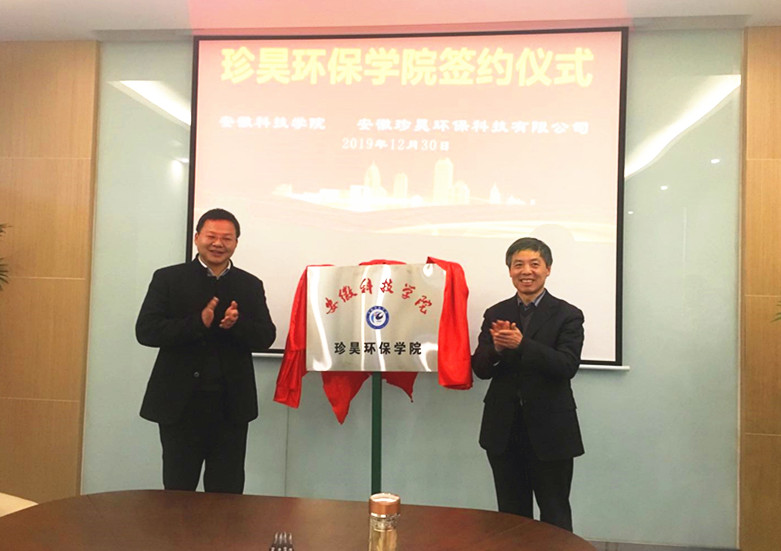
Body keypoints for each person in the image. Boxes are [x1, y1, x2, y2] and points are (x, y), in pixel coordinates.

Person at [136, 208, 275, 494]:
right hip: (179, 405)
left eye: (227, 238)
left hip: (230, 407)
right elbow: (146, 331)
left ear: (236, 242)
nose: (218, 243)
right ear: (197, 237)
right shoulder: (168, 279)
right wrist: (197, 323)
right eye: (211, 236)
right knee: (178, 492)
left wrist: (237, 324)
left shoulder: (249, 285)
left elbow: (266, 337)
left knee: (227, 492)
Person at [471, 237, 584, 531]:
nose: (526, 271)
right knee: (511, 515)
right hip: (503, 429)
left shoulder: (568, 315)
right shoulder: (496, 313)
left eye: (534, 264)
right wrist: (496, 349)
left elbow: (566, 366)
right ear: (510, 270)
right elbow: (480, 369)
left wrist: (522, 345)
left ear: (548, 269)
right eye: (518, 264)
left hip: (551, 431)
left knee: (555, 512)